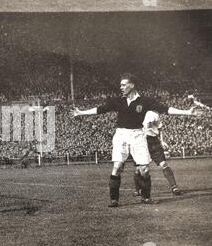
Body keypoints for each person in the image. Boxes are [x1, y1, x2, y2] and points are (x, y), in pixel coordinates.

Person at [73, 73, 198, 207]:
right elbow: (101, 109)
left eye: (124, 84)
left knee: (144, 169)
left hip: (138, 135)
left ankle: (146, 198)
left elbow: (165, 109)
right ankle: (114, 200)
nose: (121, 87)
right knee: (117, 166)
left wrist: (187, 112)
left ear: (132, 85)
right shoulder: (118, 101)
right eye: (120, 85)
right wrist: (81, 112)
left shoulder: (144, 101)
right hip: (121, 135)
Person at [133, 111, 181, 197]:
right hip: (141, 141)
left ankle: (174, 186)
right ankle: (138, 189)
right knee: (139, 168)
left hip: (153, 141)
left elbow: (160, 128)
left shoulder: (153, 114)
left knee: (164, 164)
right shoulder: (135, 112)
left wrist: (162, 141)